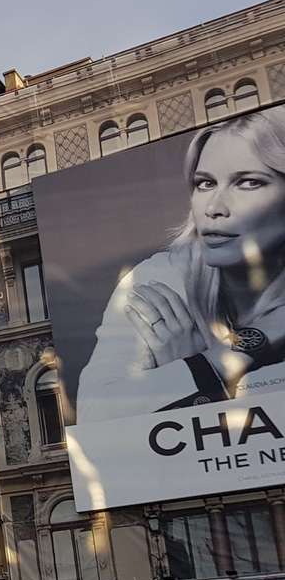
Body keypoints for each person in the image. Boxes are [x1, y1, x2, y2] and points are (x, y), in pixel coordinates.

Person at [80, 105, 285, 422]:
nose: (214, 208)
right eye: (205, 183)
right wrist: (217, 359)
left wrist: (182, 375)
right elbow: (94, 417)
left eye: (248, 182)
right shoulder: (161, 280)